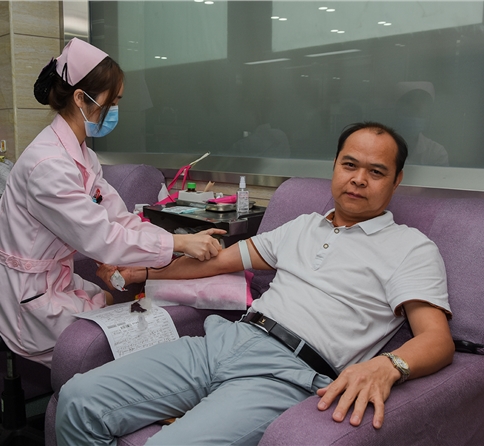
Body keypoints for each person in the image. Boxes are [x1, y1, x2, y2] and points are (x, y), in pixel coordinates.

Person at [54, 122, 455, 445]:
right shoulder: (303, 226)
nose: (359, 179)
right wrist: (143, 273)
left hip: (288, 374)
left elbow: (437, 340)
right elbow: (218, 262)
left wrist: (388, 366)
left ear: (396, 180)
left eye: (376, 171)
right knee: (78, 400)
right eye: (349, 165)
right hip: (224, 341)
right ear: (335, 166)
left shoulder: (410, 247)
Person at [0, 38, 223, 367]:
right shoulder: (48, 165)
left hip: (53, 281)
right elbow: (102, 238)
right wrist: (178, 243)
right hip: (25, 298)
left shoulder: (84, 157)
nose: (116, 111)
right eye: (114, 101)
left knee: (112, 302)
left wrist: (177, 242)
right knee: (123, 337)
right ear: (81, 98)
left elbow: (118, 219)